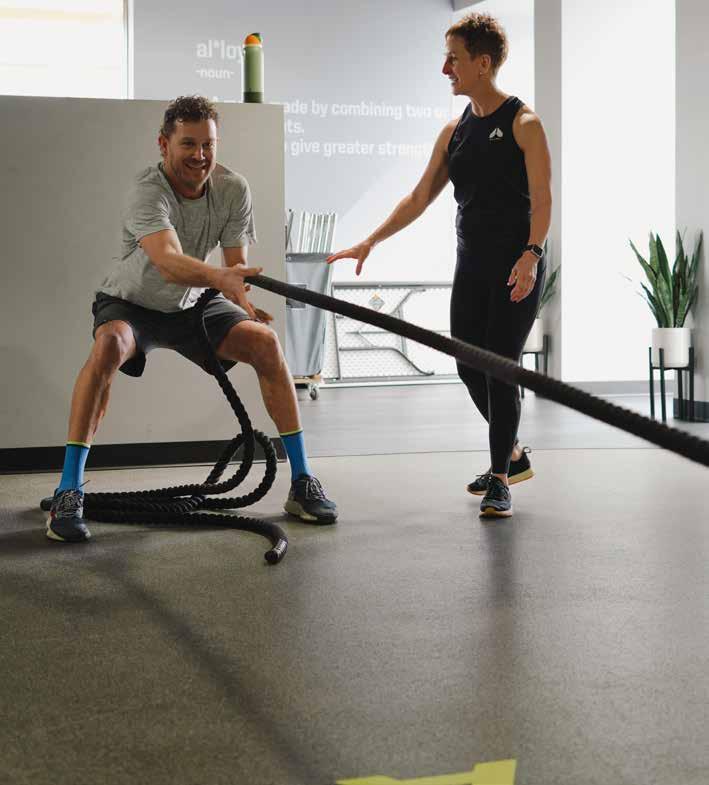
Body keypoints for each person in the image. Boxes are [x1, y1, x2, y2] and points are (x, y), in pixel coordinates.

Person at [46, 95, 337, 543]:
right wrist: (221, 277)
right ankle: (69, 489)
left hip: (193, 303)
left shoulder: (233, 189)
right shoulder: (147, 190)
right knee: (109, 346)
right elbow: (167, 261)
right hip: (132, 303)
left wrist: (239, 293)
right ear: (164, 144)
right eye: (188, 144)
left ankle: (302, 481)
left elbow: (234, 265)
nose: (199, 155)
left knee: (266, 344)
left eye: (208, 144)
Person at [327, 13, 552, 518]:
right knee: (468, 366)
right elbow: (418, 197)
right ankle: (514, 455)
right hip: (471, 266)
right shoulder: (455, 131)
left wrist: (532, 255)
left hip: (516, 267)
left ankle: (500, 479)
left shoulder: (524, 124)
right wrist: (370, 241)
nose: (445, 68)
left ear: (482, 63)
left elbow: (543, 199)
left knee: (500, 369)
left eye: (454, 59)